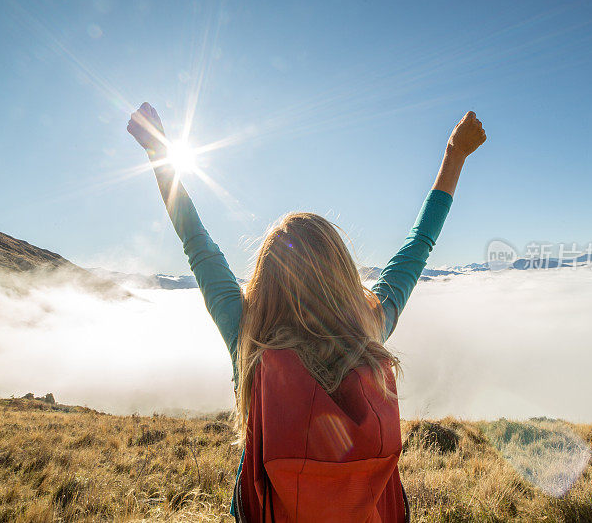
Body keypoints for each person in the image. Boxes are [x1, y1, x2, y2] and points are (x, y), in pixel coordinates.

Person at [127, 103, 486, 522]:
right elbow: (418, 246)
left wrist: (158, 152)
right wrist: (453, 154)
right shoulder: (369, 327)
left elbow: (197, 243)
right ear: (340, 272)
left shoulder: (250, 339)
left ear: (266, 278)